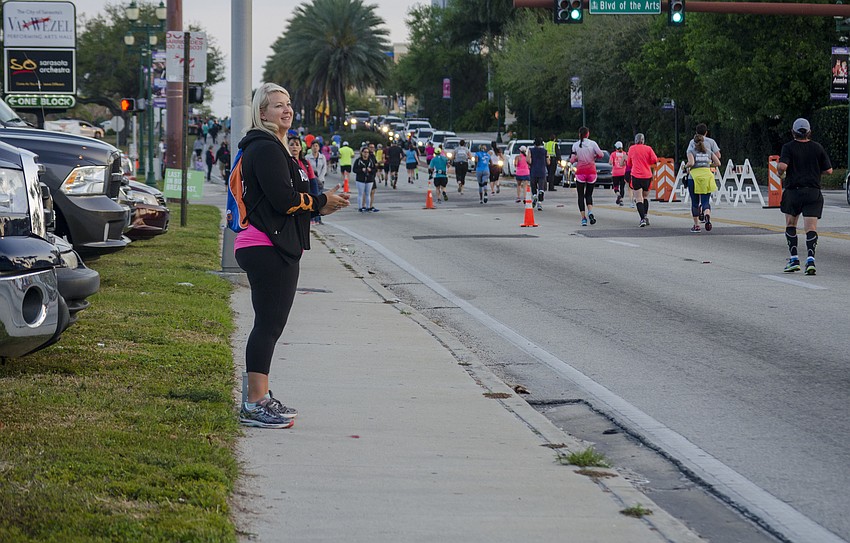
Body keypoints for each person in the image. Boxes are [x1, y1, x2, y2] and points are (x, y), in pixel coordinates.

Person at [235, 82, 349, 428]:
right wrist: (319, 203)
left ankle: (260, 397)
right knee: (268, 325)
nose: (287, 110)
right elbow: (284, 200)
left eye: (288, 104)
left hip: (271, 244)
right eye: (277, 105)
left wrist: (319, 206)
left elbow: (288, 199)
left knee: (270, 324)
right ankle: (255, 404)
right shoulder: (266, 147)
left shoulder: (276, 148)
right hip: (266, 246)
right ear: (262, 113)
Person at [778, 118, 832, 275]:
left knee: (791, 224)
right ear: (809, 132)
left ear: (793, 132)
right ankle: (810, 260)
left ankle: (794, 259)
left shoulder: (788, 147)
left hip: (793, 191)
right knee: (811, 228)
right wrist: (814, 172)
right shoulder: (817, 147)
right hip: (813, 192)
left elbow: (782, 166)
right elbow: (828, 170)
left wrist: (779, 171)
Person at [685, 132, 721, 232]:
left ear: (694, 143)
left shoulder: (691, 151)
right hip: (707, 176)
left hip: (694, 177)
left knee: (695, 202)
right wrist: (709, 165)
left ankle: (696, 225)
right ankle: (707, 216)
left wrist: (686, 166)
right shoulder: (709, 151)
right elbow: (718, 163)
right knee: (705, 200)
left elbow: (691, 163)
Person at [570, 127, 604, 226]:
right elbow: (601, 154)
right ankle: (590, 212)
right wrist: (594, 156)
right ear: (588, 134)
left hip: (580, 172)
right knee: (589, 194)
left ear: (579, 134)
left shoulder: (575, 145)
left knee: (580, 196)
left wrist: (577, 158)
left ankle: (583, 218)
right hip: (592, 172)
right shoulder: (593, 143)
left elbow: (572, 160)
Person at [627, 133, 658, 227]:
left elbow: (629, 163)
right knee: (645, 197)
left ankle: (642, 219)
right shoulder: (648, 149)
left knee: (638, 198)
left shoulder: (632, 148)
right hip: (647, 176)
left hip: (636, 176)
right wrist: (647, 162)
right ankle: (645, 215)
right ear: (643, 140)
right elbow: (655, 160)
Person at [353, 146, 379, 212]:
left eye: (367, 152)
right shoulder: (358, 160)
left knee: (368, 193)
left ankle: (368, 207)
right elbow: (354, 170)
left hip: (369, 179)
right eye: (364, 152)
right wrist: (361, 170)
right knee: (361, 193)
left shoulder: (371, 161)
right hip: (360, 179)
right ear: (362, 153)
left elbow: (375, 169)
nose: (366, 154)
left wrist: (370, 170)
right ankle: (360, 207)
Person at [528, 138, 548, 211]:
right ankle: (539, 203)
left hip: (533, 170)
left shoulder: (531, 150)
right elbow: (548, 162)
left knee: (533, 186)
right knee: (541, 187)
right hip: (542, 171)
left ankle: (534, 196)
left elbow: (528, 160)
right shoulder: (545, 151)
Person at [610, 141, 627, 206]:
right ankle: (621, 200)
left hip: (615, 173)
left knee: (616, 187)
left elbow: (610, 162)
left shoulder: (613, 154)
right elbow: (627, 162)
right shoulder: (624, 154)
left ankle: (618, 195)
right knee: (622, 187)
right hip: (623, 173)